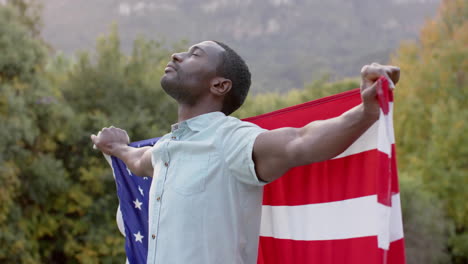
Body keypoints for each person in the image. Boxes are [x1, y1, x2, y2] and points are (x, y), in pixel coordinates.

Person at [91, 40, 400, 264]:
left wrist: (365, 112)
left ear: (220, 85)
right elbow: (137, 161)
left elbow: (300, 141)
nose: (177, 55)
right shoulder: (164, 150)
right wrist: (117, 146)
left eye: (194, 54)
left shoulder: (231, 140)